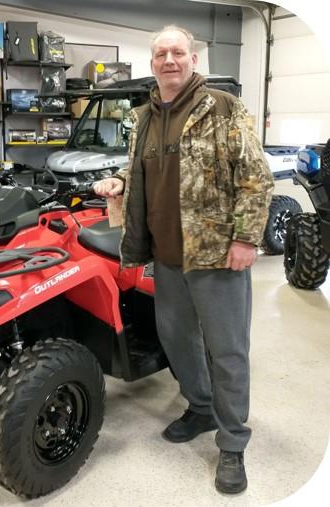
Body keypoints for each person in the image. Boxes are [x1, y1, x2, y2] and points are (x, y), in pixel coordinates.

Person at [93, 24, 274, 495]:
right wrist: (119, 181)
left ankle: (232, 442)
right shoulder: (144, 117)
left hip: (217, 255)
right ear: (152, 63)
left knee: (227, 351)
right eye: (161, 54)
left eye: (177, 52)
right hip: (166, 256)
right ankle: (201, 407)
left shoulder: (223, 108)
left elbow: (256, 178)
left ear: (194, 59)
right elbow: (143, 168)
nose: (169, 60)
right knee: (178, 341)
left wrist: (245, 239)